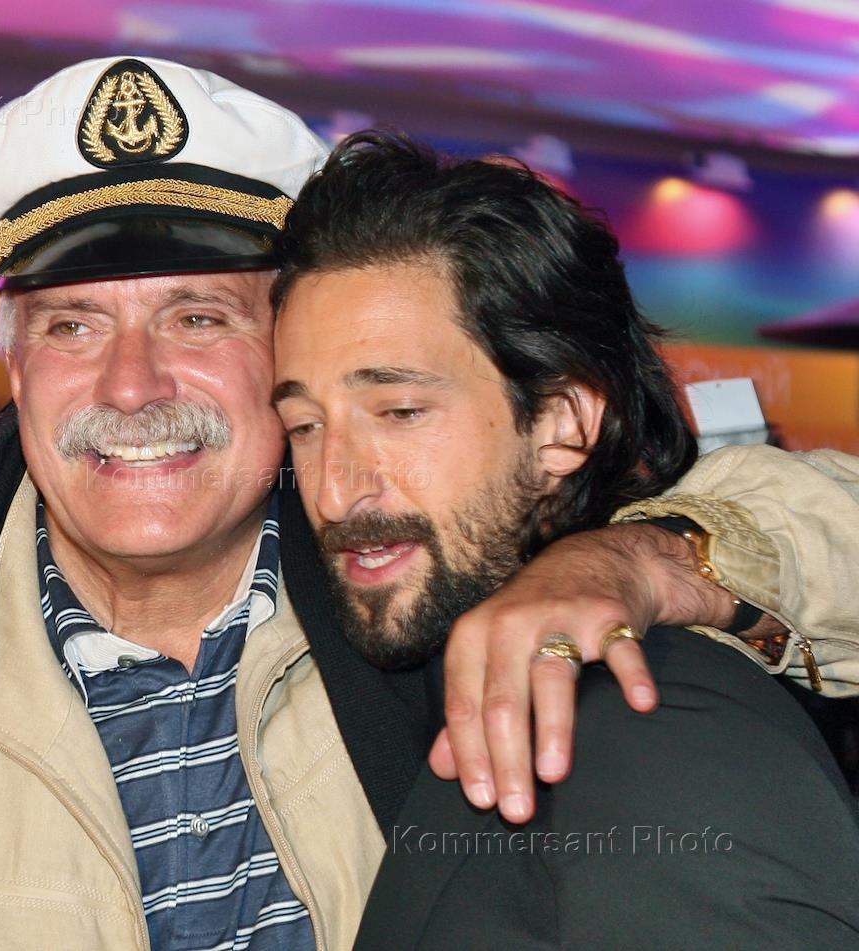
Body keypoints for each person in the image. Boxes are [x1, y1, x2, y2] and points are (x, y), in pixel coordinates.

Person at [0, 58, 857, 949]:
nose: (132, 387)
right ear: (15, 366)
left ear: (280, 352)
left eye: (197, 317)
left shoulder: (421, 582)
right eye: (74, 326)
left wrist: (638, 561)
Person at [268, 131, 859, 948]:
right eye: (303, 425)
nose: (334, 491)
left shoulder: (657, 726)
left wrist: (653, 554)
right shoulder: (405, 651)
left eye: (399, 412)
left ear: (563, 423)